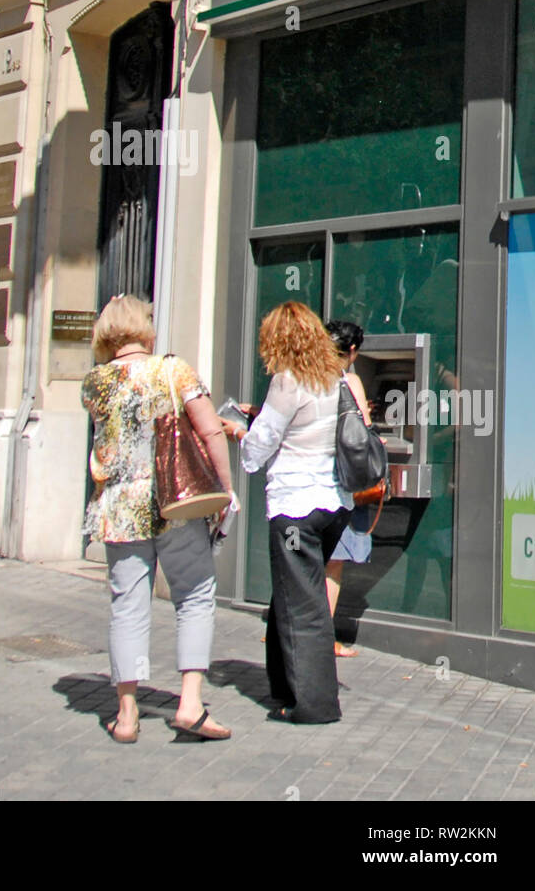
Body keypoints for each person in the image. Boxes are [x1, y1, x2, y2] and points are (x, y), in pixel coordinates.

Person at [82, 295, 234, 744]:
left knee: (127, 606)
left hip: (120, 508)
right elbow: (209, 430)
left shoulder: (94, 382)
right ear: (145, 329)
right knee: (194, 596)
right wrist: (223, 490)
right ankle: (190, 704)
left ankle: (126, 714)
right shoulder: (173, 369)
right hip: (175, 504)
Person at [225, 302, 351, 723]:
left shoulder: (287, 380)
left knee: (303, 605)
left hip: (295, 505)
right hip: (331, 503)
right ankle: (283, 688)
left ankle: (314, 705)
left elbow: (262, 445)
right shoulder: (335, 377)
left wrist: (240, 435)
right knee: (291, 595)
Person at [324, 319, 373, 658]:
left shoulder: (303, 377)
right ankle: (325, 638)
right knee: (333, 564)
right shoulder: (349, 380)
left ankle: (284, 631)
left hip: (305, 488)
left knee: (303, 560)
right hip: (338, 485)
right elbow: (362, 432)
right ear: (353, 351)